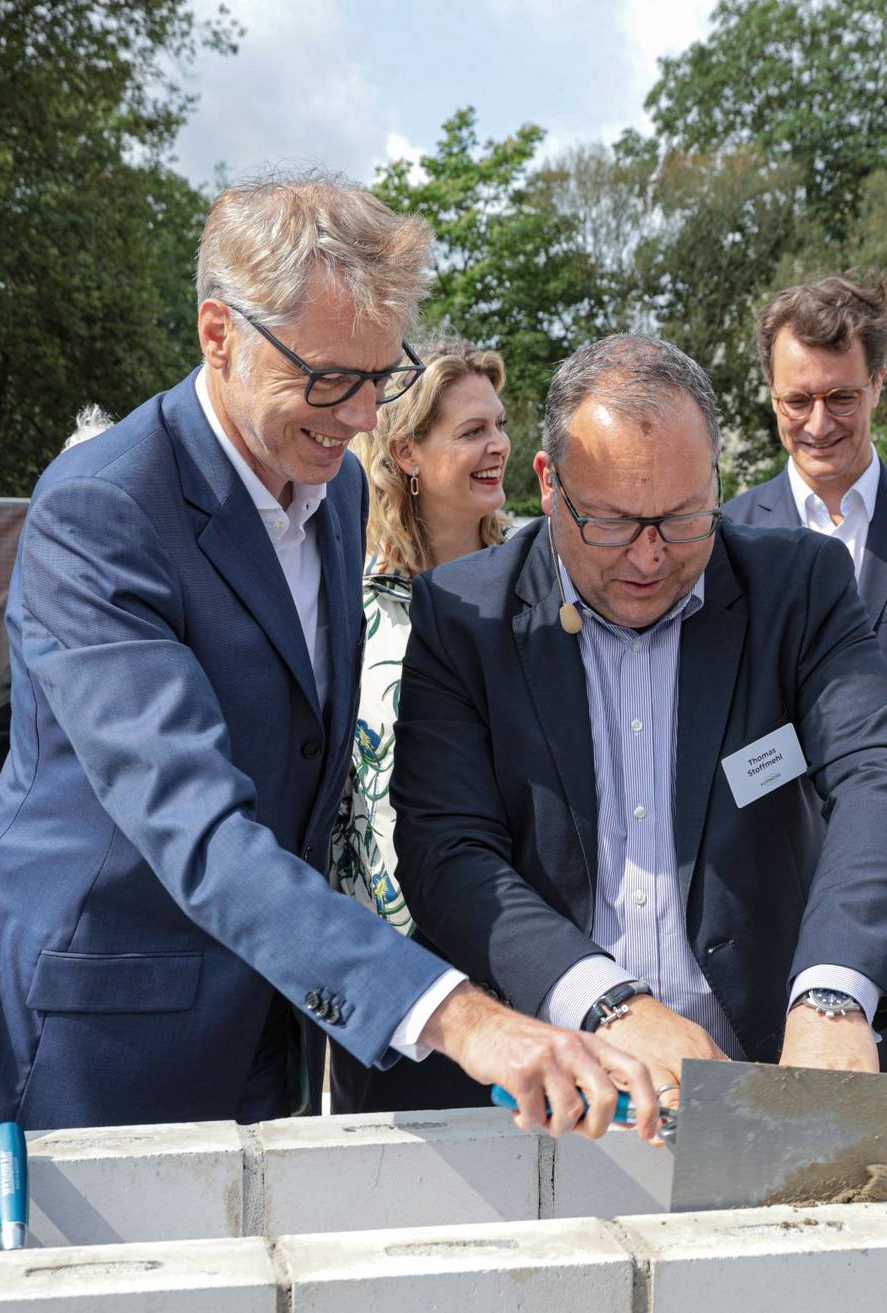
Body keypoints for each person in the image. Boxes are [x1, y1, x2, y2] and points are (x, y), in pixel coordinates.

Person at [0, 171, 662, 1146]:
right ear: (220, 333)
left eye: (381, 376)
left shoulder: (335, 492)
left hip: (255, 1029)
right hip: (80, 1040)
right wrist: (459, 1015)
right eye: (330, 377)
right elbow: (196, 823)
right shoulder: (102, 507)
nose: (362, 415)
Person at [392, 333, 887, 1102]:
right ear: (549, 484)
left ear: (716, 479)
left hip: (759, 1071)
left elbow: (882, 775)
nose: (650, 557)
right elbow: (447, 851)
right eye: (613, 523)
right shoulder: (464, 616)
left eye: (684, 519)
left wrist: (832, 994)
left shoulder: (797, 588)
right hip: (538, 1087)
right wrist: (607, 1002)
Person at [329, 341, 511, 1112]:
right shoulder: (347, 595)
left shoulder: (539, 577)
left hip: (517, 939)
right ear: (406, 451)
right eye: (472, 431)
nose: (499, 445)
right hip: (388, 965)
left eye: (500, 425)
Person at [723, 274, 887, 681]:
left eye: (841, 398)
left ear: (877, 384)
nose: (819, 425)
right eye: (797, 401)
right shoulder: (725, 537)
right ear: (772, 393)